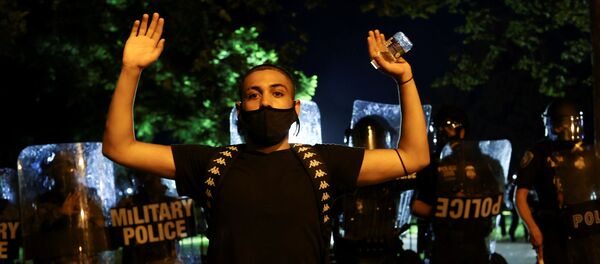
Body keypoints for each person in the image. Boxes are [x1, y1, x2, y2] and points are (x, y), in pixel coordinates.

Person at [102, 13, 429, 264]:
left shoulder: (323, 164)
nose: (266, 102)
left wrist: (405, 78)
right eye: (253, 95)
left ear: (295, 106)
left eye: (277, 92)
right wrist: (131, 69)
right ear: (240, 109)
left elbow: (414, 156)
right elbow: (119, 147)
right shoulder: (211, 163)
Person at [411, 105, 505, 264]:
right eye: (439, 127)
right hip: (443, 243)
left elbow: (498, 200)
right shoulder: (432, 166)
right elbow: (416, 205)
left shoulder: (486, 164)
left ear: (462, 131)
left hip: (477, 244)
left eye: (448, 126)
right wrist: (446, 210)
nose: (442, 131)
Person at [515, 98, 600, 264]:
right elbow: (520, 197)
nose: (562, 128)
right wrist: (533, 229)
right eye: (560, 124)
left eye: (566, 124)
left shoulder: (585, 152)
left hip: (585, 228)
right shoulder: (538, 153)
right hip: (554, 228)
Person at [28, 151, 108, 263]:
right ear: (53, 173)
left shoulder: (88, 195)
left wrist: (87, 213)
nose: (63, 173)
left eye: (67, 168)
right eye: (59, 169)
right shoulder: (45, 200)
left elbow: (101, 228)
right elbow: (35, 229)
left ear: (75, 170)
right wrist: (60, 212)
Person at [116, 172, 182, 264]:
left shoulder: (169, 203)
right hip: (148, 257)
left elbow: (179, 232)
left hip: (163, 257)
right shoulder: (130, 205)